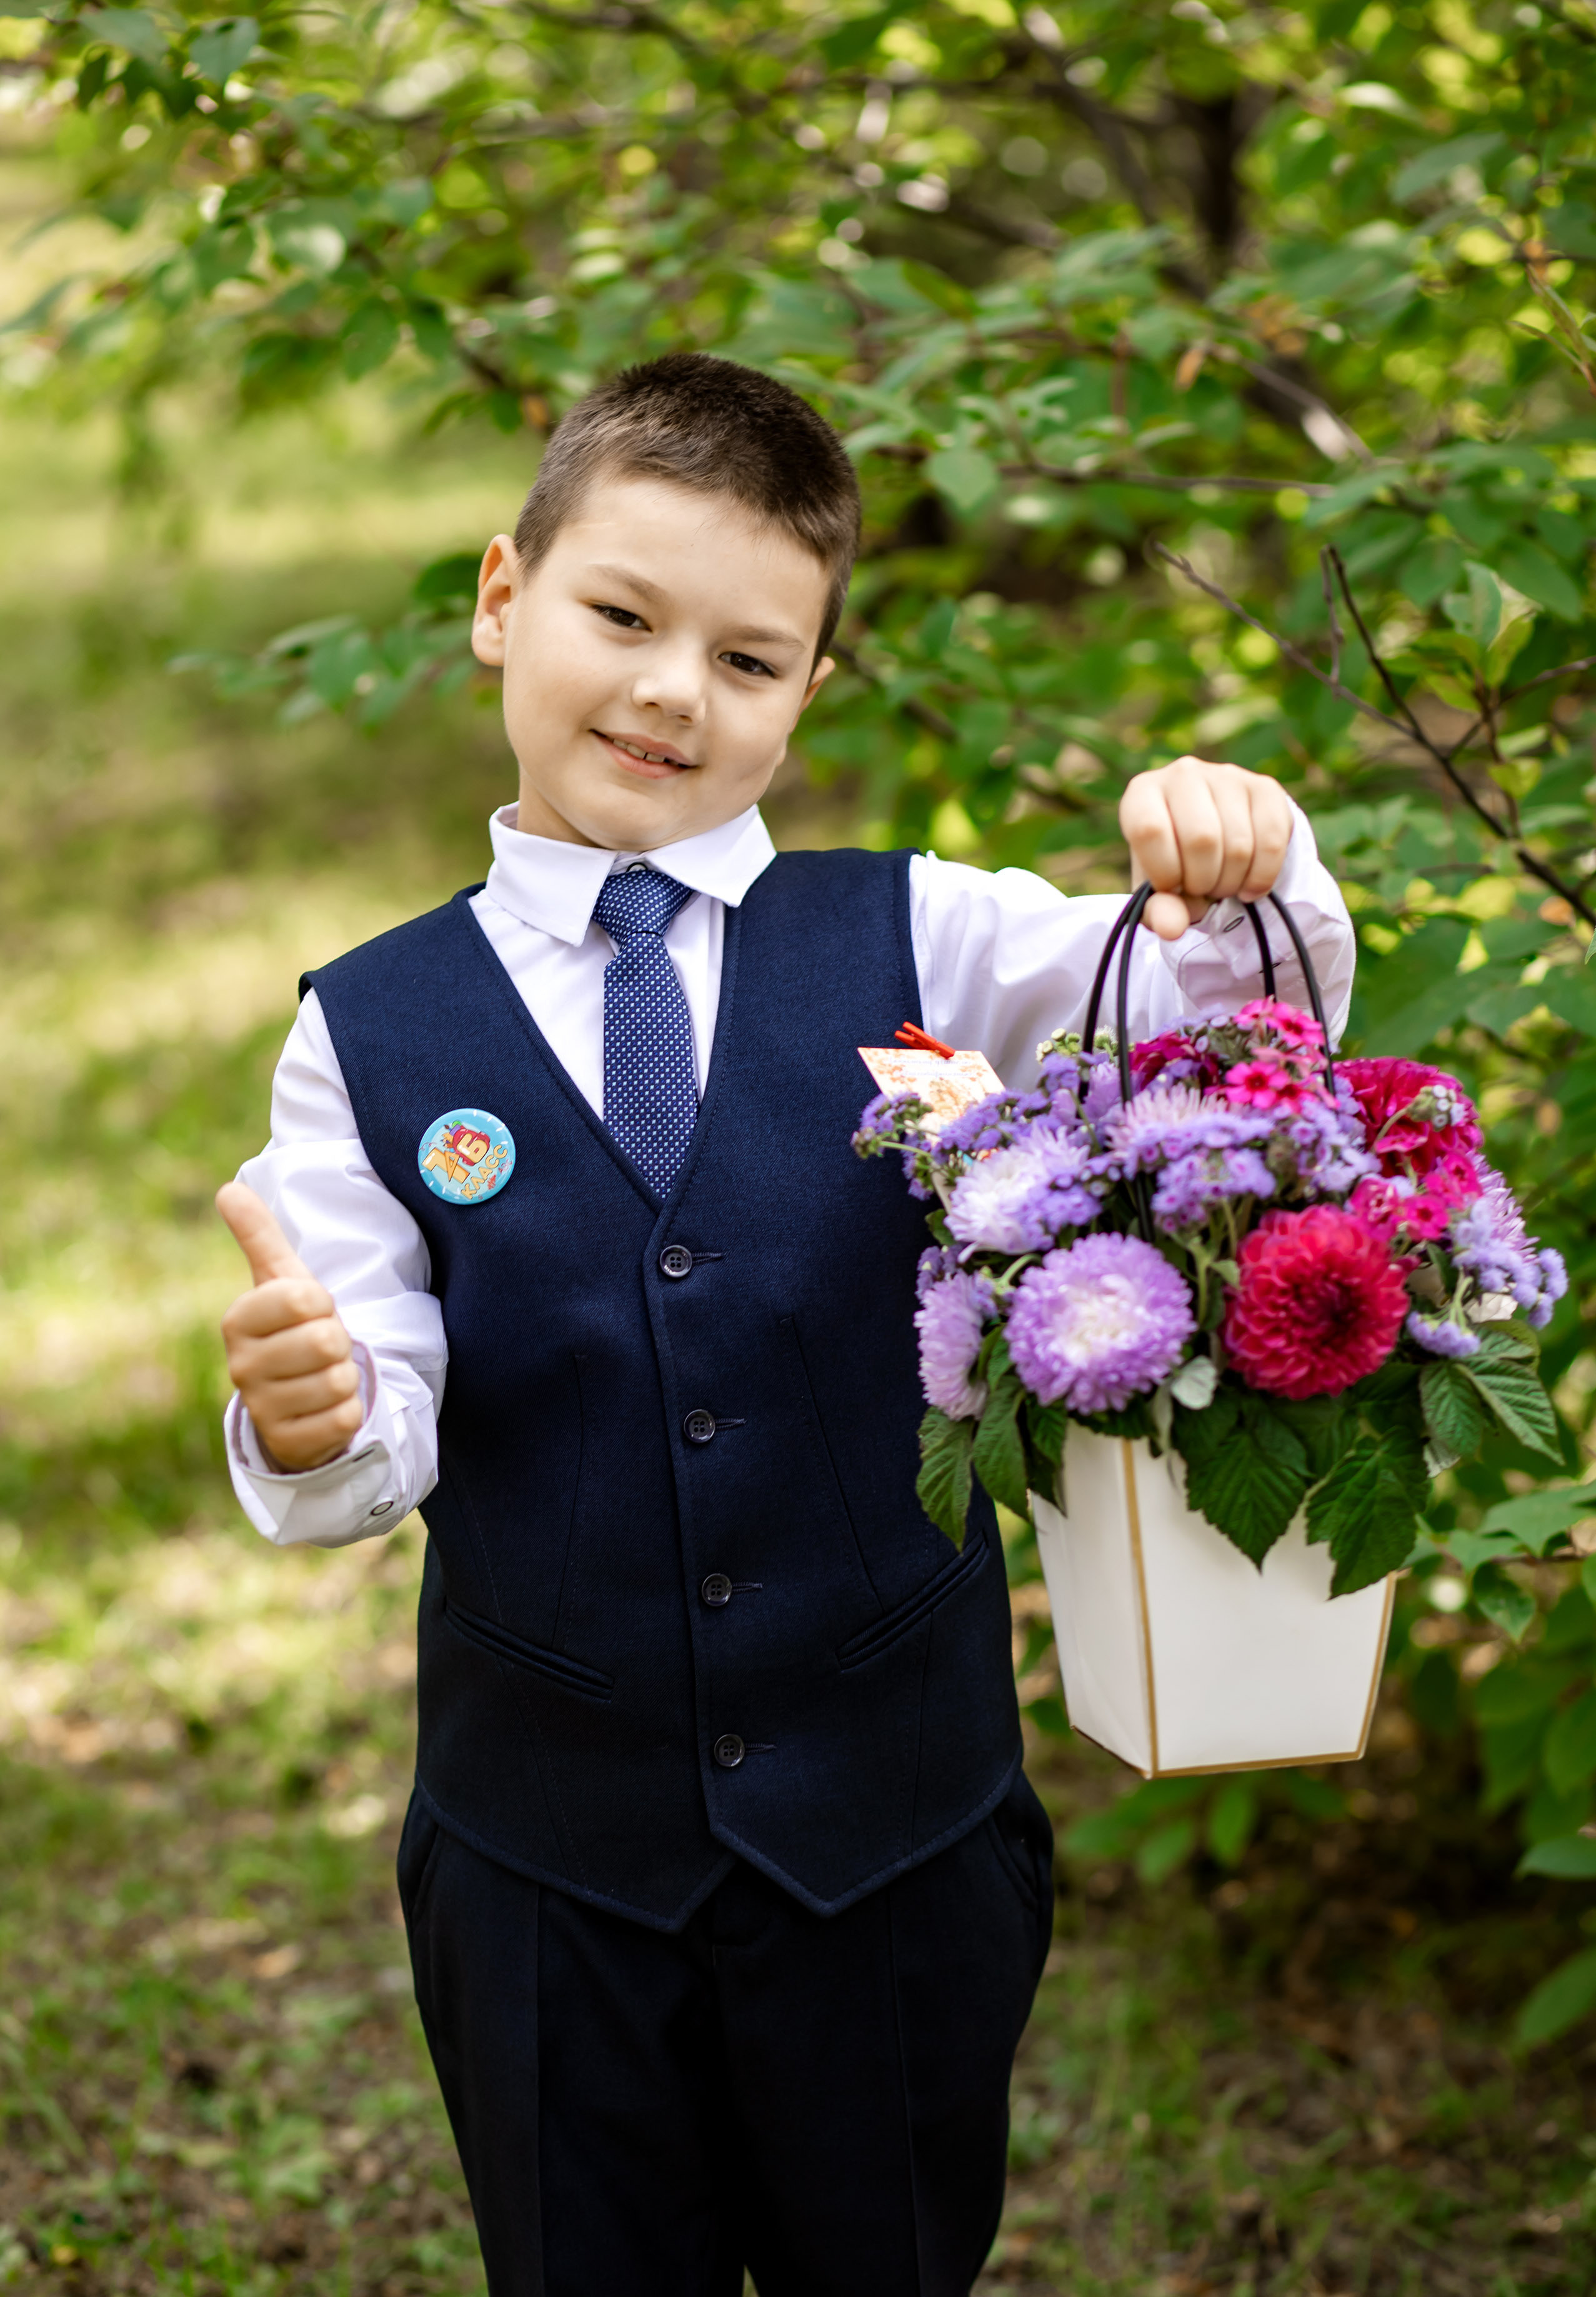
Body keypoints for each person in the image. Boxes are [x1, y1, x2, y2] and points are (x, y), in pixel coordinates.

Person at [216, 353, 1354, 2297]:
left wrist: (1236, 851)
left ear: (809, 691)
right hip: (544, 1866)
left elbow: (1213, 1026)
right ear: (505, 597)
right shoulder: (371, 1027)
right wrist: (320, 1415)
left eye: (749, 660)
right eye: (623, 618)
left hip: (894, 1835)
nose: (673, 692)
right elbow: (377, 1379)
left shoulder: (920, 937)